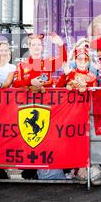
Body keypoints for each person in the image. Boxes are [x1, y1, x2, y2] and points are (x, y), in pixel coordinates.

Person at [13, 32, 66, 179]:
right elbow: (16, 83)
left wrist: (61, 45)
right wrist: (30, 83)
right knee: (30, 140)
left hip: (48, 109)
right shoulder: (23, 64)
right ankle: (30, 171)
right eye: (33, 45)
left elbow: (62, 61)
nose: (36, 47)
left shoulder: (47, 63)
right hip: (27, 108)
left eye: (39, 45)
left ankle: (49, 170)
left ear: (42, 47)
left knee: (48, 138)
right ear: (29, 47)